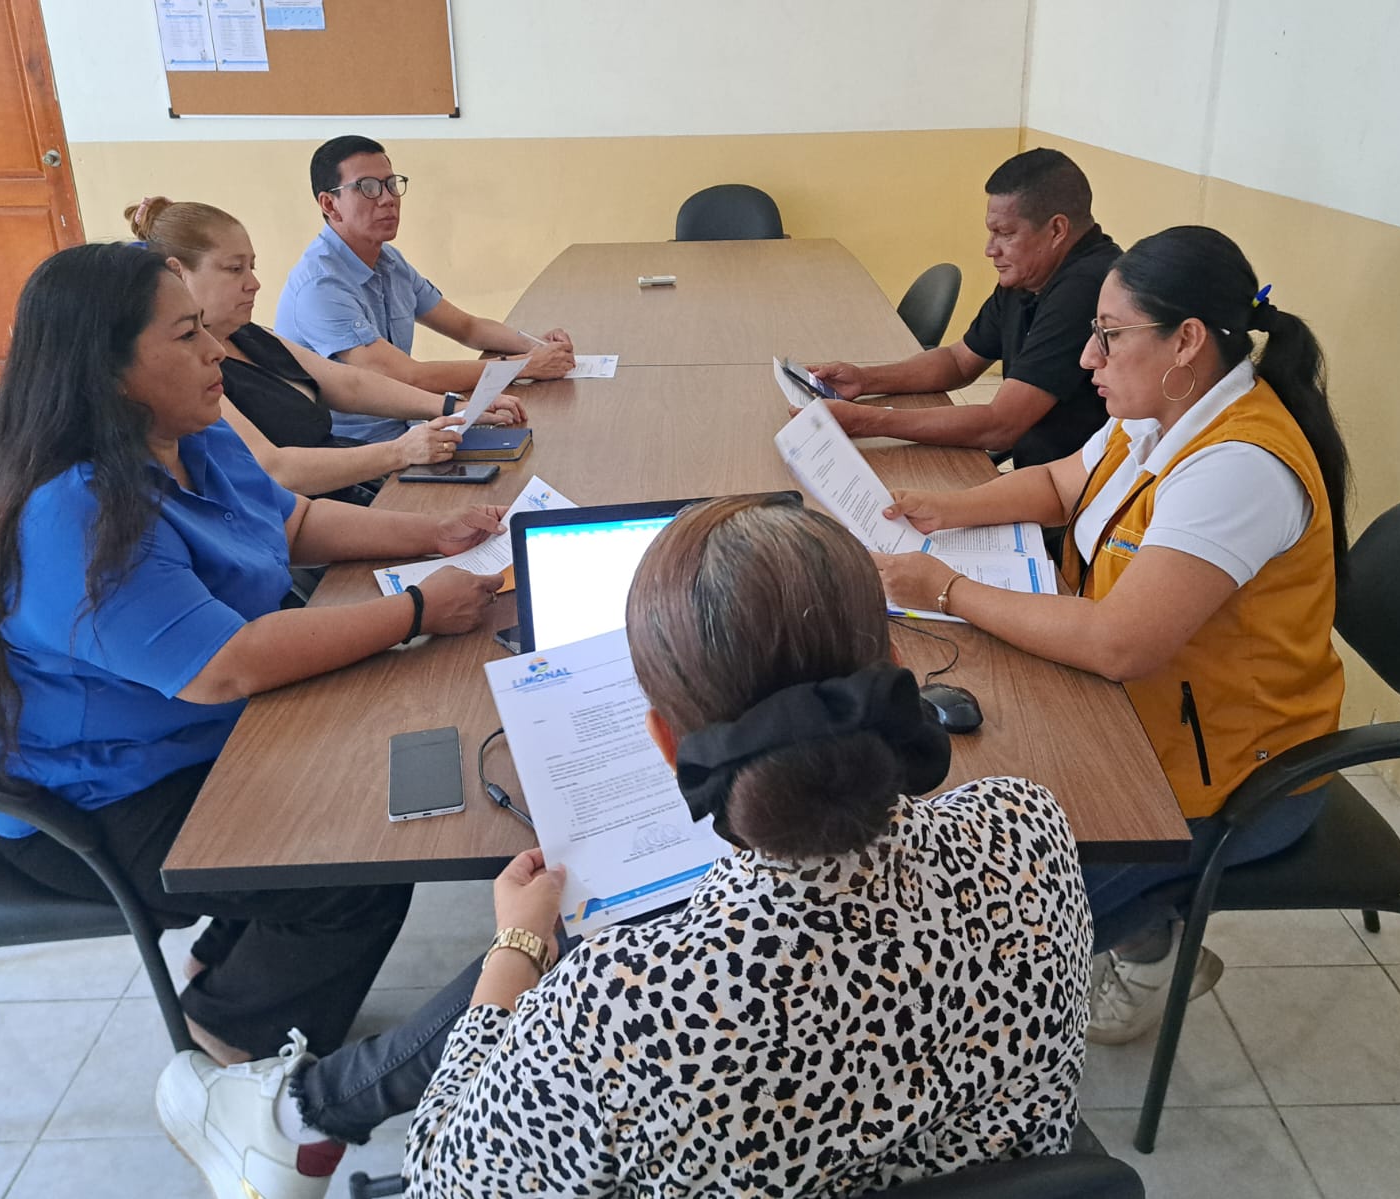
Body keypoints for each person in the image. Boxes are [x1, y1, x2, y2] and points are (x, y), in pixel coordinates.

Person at [155, 494, 1093, 1199]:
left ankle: (285, 1117)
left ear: (664, 743)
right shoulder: (1029, 825)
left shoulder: (620, 1007)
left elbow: (445, 1174)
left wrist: (516, 947)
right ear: (896, 674)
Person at [0, 243, 509, 1072]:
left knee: (361, 779)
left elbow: (292, 521)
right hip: (96, 793)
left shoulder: (192, 434)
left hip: (189, 733)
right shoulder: (74, 513)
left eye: (204, 328)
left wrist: (435, 534)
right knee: (349, 868)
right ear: (106, 370)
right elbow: (226, 666)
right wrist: (418, 609)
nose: (216, 352)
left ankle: (228, 959)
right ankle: (229, 1038)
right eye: (186, 336)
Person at [872, 225, 1351, 1045]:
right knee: (976, 817)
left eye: (1109, 335)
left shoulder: (1238, 464)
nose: (1088, 358)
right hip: (1139, 717)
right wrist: (942, 510)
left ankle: (1147, 949)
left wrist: (947, 588)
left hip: (1232, 775)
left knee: (1000, 931)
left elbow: (1119, 642)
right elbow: (1064, 482)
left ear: (1186, 341)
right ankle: (1139, 930)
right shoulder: (1163, 408)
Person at [126, 196, 526, 501]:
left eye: (252, 267)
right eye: (234, 269)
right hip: (314, 516)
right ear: (177, 273)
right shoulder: (189, 370)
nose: (254, 283)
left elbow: (348, 384)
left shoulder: (249, 334)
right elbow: (274, 469)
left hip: (353, 484)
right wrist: (399, 452)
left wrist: (452, 408)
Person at [809, 148, 1117, 470]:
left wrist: (867, 421)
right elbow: (959, 361)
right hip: (1040, 475)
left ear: (1056, 230)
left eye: (1005, 233)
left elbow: (1001, 425)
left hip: (1079, 490)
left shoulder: (1089, 289)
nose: (990, 249)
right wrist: (864, 380)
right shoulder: (1031, 273)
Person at [276, 135, 575, 443]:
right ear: (330, 204)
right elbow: (409, 376)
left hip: (409, 431)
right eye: (368, 188)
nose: (387, 199)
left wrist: (536, 345)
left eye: (391, 184)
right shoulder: (320, 287)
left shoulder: (389, 261)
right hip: (353, 450)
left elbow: (468, 327)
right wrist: (523, 366)